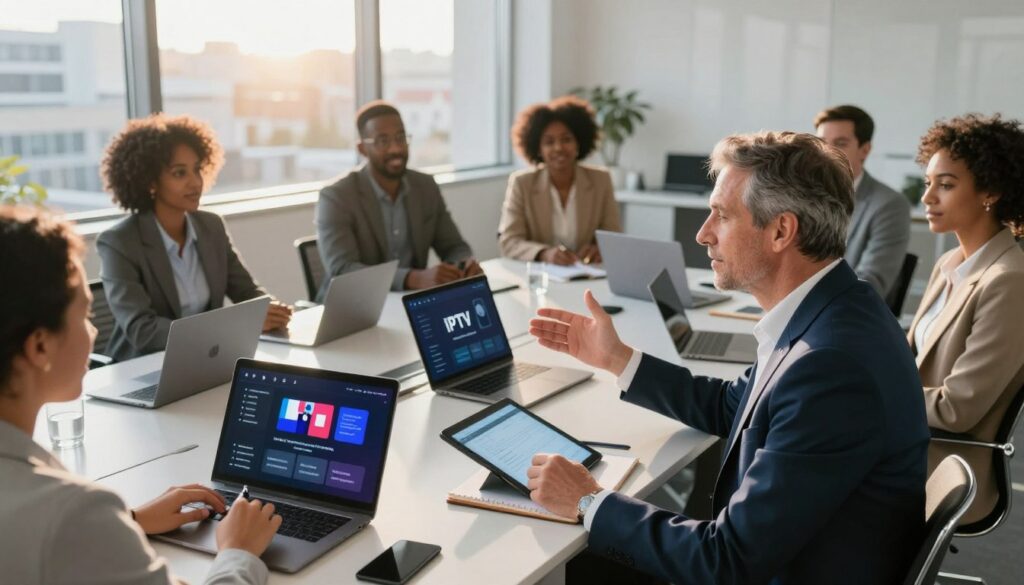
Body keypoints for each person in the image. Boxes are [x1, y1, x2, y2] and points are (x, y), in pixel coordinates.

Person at [527, 131, 929, 584]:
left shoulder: (831, 365)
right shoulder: (831, 310)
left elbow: (726, 561)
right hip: (795, 555)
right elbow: (731, 406)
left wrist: (587, 501)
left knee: (561, 561)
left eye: (721, 216)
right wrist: (618, 358)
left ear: (781, 231)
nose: (703, 234)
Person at [0, 206, 282, 584]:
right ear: (39, 347)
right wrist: (239, 552)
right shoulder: (70, 511)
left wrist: (128, 521)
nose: (94, 332)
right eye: (85, 315)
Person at [97, 114, 292, 362]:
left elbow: (246, 290)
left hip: (205, 360)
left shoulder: (211, 226)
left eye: (197, 169)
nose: (195, 182)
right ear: (150, 182)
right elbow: (142, 331)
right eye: (180, 173)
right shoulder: (119, 243)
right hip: (143, 366)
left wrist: (269, 309)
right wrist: (227, 328)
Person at [908, 113, 1024, 525]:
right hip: (903, 444)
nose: (928, 198)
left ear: (989, 191)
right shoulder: (948, 264)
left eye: (946, 185)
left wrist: (873, 395)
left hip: (943, 465)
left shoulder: (1010, 281)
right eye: (928, 183)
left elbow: (959, 409)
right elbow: (907, 365)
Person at [316, 101, 481, 295]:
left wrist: (462, 266)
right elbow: (343, 270)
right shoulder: (337, 196)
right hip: (355, 307)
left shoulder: (425, 186)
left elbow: (454, 246)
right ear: (362, 149)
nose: (395, 149)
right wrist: (411, 278)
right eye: (383, 141)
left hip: (410, 301)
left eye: (400, 137)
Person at [499, 96, 622, 265]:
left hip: (587, 273)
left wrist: (598, 248)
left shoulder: (601, 180)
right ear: (539, 149)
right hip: (541, 276)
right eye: (549, 142)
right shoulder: (522, 183)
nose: (558, 148)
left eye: (566, 139)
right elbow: (509, 241)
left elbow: (613, 236)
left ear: (578, 143)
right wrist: (544, 253)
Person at [815, 104, 911, 297]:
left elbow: (870, 283)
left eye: (840, 143)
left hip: (845, 315)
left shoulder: (889, 205)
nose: (827, 151)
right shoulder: (803, 196)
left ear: (865, 150)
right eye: (821, 142)